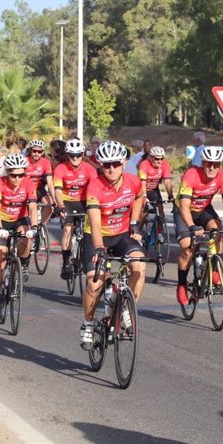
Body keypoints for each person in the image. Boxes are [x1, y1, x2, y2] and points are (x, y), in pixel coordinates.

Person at [80, 141, 146, 350]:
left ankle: (125, 306)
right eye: (106, 165)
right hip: (96, 237)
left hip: (121, 236)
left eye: (116, 164)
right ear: (100, 165)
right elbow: (95, 222)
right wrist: (99, 248)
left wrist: (134, 222)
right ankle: (88, 324)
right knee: (95, 284)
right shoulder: (94, 186)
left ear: (124, 162)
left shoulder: (133, 182)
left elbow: (139, 197)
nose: (111, 169)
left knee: (140, 266)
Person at [173, 146, 223, 305]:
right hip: (184, 210)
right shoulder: (192, 175)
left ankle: (214, 268)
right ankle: (181, 285)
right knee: (187, 247)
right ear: (203, 163)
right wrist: (192, 226)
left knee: (217, 230)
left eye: (216, 164)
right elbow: (184, 206)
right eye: (209, 164)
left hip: (203, 209)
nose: (212, 168)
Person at [0, 153, 39, 316]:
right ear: (7, 172)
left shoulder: (29, 184)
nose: (17, 179)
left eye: (21, 175)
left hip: (20, 219)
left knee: (26, 236)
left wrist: (35, 227)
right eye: (13, 175)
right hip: (2, 220)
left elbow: (32, 208)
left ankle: (23, 263)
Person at [54, 139, 98, 280]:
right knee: (68, 229)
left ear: (82, 154)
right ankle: (66, 262)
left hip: (85, 201)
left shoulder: (89, 169)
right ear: (67, 154)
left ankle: (86, 255)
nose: (75, 158)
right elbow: (58, 191)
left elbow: (95, 190)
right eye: (72, 155)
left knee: (90, 230)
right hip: (67, 201)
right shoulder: (60, 169)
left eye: (78, 155)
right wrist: (61, 206)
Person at [137, 145, 174, 228]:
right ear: (150, 157)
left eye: (162, 158)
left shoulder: (165, 164)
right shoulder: (144, 164)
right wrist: (144, 196)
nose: (160, 161)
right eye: (157, 159)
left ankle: (160, 231)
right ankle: (138, 230)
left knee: (160, 208)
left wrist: (170, 195)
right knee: (143, 211)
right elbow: (142, 182)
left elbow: (167, 181)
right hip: (142, 188)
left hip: (154, 189)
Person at [25, 139, 56, 225]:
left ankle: (41, 227)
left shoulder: (45, 162)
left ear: (42, 153)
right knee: (31, 208)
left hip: (38, 187)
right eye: (34, 151)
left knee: (50, 206)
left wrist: (54, 199)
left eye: (39, 151)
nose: (36, 153)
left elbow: (50, 183)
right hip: (25, 189)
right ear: (30, 151)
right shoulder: (25, 161)